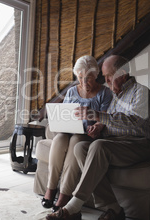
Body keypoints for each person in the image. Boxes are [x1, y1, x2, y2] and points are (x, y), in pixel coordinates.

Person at [46, 55, 150, 220]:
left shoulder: (141, 92)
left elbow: (135, 122)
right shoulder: (115, 96)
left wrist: (98, 116)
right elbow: (109, 121)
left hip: (137, 145)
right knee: (80, 148)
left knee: (98, 146)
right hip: (115, 143)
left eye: (108, 77)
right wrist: (99, 127)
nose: (106, 81)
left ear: (122, 73)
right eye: (105, 77)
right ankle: (114, 208)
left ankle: (73, 207)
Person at [41, 55, 113, 212]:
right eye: (80, 78)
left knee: (76, 141)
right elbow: (65, 114)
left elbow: (106, 117)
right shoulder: (72, 91)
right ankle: (50, 188)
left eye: (88, 78)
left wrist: (99, 126)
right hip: (69, 131)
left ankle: (64, 195)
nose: (84, 82)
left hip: (87, 134)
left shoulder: (105, 93)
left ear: (96, 75)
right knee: (59, 139)